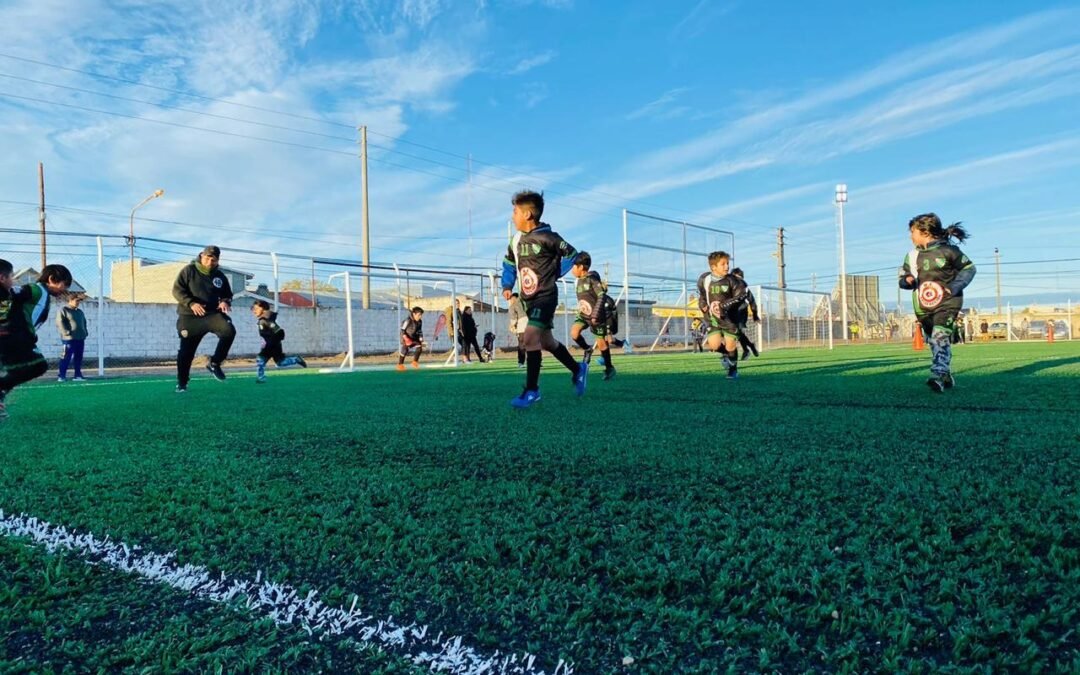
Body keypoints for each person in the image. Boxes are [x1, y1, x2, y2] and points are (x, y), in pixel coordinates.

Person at [501, 190, 585, 408]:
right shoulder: (516, 240)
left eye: (515, 211)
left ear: (528, 214)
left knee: (529, 338)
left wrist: (556, 272)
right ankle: (577, 369)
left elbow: (573, 254)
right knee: (546, 342)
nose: (512, 216)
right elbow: (509, 264)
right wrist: (507, 284)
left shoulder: (549, 237)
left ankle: (531, 391)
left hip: (545, 297)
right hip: (528, 300)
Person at [899, 213, 976, 392]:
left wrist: (954, 287)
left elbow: (969, 268)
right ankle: (945, 374)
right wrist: (907, 280)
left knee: (939, 337)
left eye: (913, 232)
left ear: (925, 232)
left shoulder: (949, 251)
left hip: (947, 303)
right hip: (923, 307)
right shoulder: (911, 256)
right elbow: (903, 279)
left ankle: (937, 374)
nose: (911, 236)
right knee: (934, 341)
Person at [0, 261, 73, 421]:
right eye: (65, 284)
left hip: (16, 338)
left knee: (15, 371)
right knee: (38, 366)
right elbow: (10, 293)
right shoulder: (37, 289)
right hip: (14, 337)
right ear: (52, 279)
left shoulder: (43, 295)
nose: (66, 290)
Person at [172, 245, 236, 392]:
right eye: (207, 258)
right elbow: (177, 290)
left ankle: (214, 363)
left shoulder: (220, 276)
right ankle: (182, 383)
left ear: (217, 260)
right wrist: (191, 303)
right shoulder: (189, 270)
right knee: (186, 353)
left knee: (229, 331)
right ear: (202, 256)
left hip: (212, 315)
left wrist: (225, 301)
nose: (209, 262)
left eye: (213, 260)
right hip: (190, 317)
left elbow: (227, 294)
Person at [697, 251, 747, 379]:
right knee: (714, 345)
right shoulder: (704, 279)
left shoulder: (733, 281)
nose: (727, 267)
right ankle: (727, 355)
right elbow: (702, 295)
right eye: (723, 264)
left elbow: (741, 296)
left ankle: (733, 370)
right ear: (713, 267)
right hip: (713, 318)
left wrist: (722, 305)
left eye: (727, 264)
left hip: (730, 319)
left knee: (730, 345)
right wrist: (702, 305)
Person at [569, 252, 616, 380]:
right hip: (583, 314)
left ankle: (609, 368)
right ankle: (587, 349)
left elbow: (601, 295)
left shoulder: (592, 279)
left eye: (574, 266)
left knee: (601, 344)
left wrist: (595, 313)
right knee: (574, 333)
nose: (572, 269)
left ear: (581, 267)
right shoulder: (577, 282)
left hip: (596, 316)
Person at [251, 300, 307, 383]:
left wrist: (272, 341)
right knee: (280, 362)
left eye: (256, 308)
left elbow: (279, 331)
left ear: (263, 309)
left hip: (271, 346)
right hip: (272, 345)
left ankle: (261, 378)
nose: (254, 311)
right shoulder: (263, 320)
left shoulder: (266, 320)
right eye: (253, 309)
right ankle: (296, 359)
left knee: (260, 360)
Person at [55, 292, 89, 381]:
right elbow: (59, 322)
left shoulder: (80, 311)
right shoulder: (64, 310)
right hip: (69, 339)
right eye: (76, 300)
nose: (78, 302)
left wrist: (85, 332)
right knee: (66, 357)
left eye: (79, 301)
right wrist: (66, 332)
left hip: (80, 338)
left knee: (78, 357)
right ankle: (61, 376)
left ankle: (78, 375)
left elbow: (84, 322)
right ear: (70, 300)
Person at [730, 267, 760, 360]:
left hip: (741, 314)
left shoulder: (745, 288)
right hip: (731, 313)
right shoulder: (729, 287)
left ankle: (746, 349)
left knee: (737, 332)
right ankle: (750, 347)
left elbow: (752, 302)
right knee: (735, 333)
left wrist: (755, 315)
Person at [396, 306, 425, 371]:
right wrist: (406, 338)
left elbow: (420, 330)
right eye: (419, 315)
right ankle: (400, 365)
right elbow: (402, 330)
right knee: (405, 350)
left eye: (421, 315)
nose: (420, 316)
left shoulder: (420, 321)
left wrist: (421, 338)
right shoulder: (408, 320)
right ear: (414, 314)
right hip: (405, 337)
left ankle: (415, 362)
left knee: (419, 347)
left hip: (414, 337)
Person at [507, 292, 527, 368]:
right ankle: (537, 361)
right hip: (532, 324)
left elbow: (513, 318)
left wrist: (511, 326)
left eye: (511, 299)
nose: (510, 301)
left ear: (514, 298)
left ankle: (521, 362)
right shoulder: (525, 302)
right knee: (532, 343)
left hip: (522, 326)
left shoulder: (513, 305)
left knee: (521, 345)